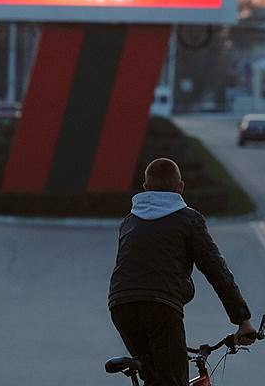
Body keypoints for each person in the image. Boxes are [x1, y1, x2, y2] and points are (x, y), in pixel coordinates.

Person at [108, 158, 256, 386]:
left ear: (145, 188)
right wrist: (242, 319)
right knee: (173, 380)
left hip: (120, 305)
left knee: (154, 378)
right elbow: (216, 270)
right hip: (161, 306)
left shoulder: (129, 221)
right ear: (180, 188)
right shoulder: (188, 220)